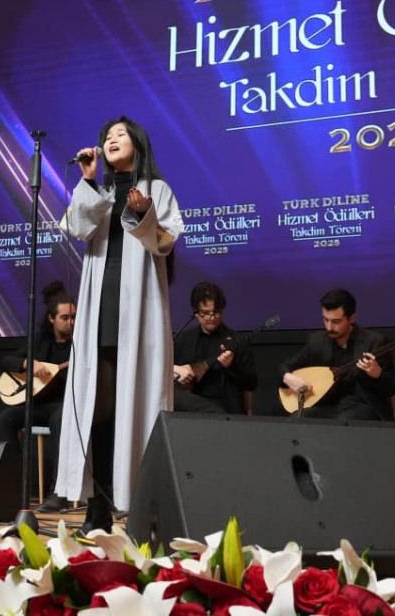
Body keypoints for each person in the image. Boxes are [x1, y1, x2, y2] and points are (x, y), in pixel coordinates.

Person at [56, 116, 182, 533]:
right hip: (99, 310)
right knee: (97, 409)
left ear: (138, 144)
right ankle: (98, 505)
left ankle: (142, 505)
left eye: (120, 134)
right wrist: (88, 181)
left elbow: (164, 242)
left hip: (138, 312)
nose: (111, 139)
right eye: (106, 135)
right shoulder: (100, 190)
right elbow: (77, 227)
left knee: (137, 408)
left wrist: (144, 213)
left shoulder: (157, 189)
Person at [0, 281, 75, 512]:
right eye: (65, 318)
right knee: (6, 418)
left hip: (65, 405)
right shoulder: (40, 340)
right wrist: (28, 363)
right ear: (51, 319)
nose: (70, 322)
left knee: (59, 419)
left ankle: (59, 492)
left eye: (73, 317)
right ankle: (14, 485)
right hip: (40, 404)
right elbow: (7, 360)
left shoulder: (81, 342)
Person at [280, 288, 395, 421]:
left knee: (343, 423)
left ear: (351, 318)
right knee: (296, 420)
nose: (329, 327)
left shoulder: (374, 342)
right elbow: (284, 367)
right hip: (327, 406)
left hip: (363, 407)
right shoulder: (317, 342)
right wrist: (288, 377)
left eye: (336, 322)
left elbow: (391, 388)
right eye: (325, 320)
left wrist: (377, 374)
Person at [173, 281, 257, 414]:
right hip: (188, 411)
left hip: (226, 411)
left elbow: (251, 383)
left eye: (216, 312)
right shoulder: (182, 340)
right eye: (205, 313)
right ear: (196, 312)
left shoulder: (237, 341)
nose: (211, 317)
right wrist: (176, 371)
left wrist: (232, 366)